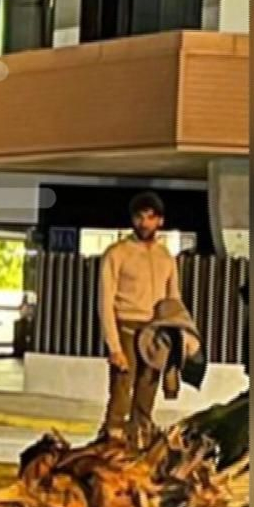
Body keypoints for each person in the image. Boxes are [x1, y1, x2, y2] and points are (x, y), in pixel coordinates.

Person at [99, 191, 181, 446]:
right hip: (126, 328)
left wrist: (176, 338)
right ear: (132, 220)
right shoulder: (117, 253)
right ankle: (110, 444)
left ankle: (138, 445)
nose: (144, 223)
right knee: (121, 391)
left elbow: (173, 300)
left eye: (150, 217)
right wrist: (114, 347)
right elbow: (105, 302)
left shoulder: (166, 256)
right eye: (139, 217)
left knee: (147, 393)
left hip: (155, 332)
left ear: (160, 221)